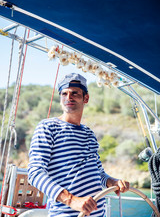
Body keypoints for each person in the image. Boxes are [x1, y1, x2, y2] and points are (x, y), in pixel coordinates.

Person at [28, 73, 129, 217]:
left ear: (85, 98)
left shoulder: (89, 133)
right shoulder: (47, 127)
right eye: (64, 94)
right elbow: (35, 172)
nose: (68, 97)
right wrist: (72, 201)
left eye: (74, 93)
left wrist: (111, 181)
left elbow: (98, 172)